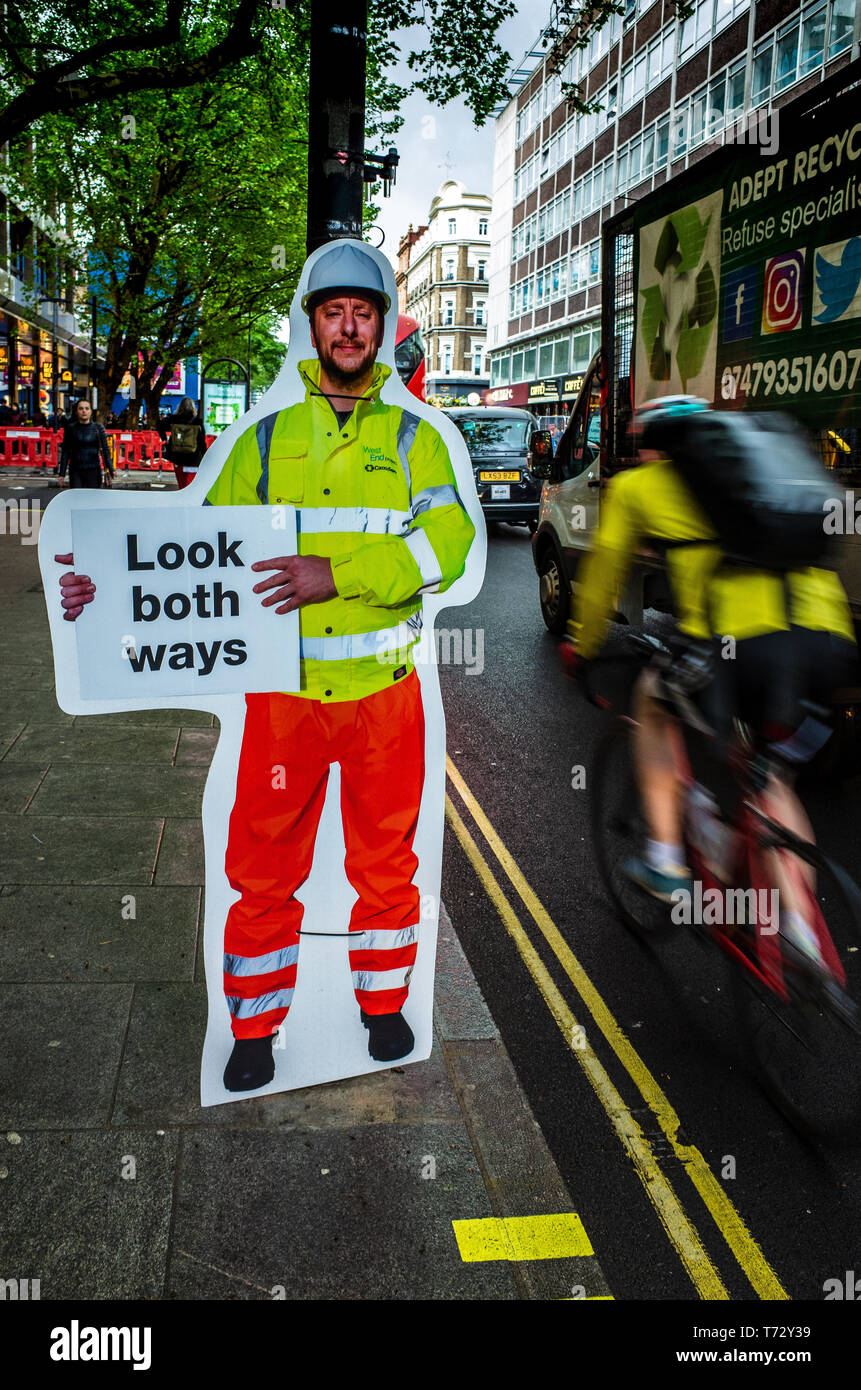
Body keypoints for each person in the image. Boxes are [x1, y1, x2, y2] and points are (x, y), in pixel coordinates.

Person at [55, 241, 476, 1093]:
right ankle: (254, 1027)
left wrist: (341, 574)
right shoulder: (264, 438)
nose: (349, 326)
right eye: (333, 312)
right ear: (311, 326)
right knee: (262, 871)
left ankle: (383, 1007)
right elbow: (187, 559)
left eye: (362, 312)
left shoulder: (418, 439)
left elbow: (449, 545)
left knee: (387, 867)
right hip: (283, 702)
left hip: (385, 699)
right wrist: (103, 591)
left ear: (381, 326)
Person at [569, 395, 856, 977]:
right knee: (769, 774)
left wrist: (582, 642)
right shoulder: (766, 477)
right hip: (830, 643)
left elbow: (603, 575)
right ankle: (799, 927)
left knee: (652, 698)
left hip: (741, 645)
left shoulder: (641, 488)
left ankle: (668, 863)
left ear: (655, 446)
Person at [58, 399, 114, 488]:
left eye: (87, 408)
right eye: (81, 408)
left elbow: (105, 450)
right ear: (76, 411)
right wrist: (62, 474)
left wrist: (111, 470)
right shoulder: (70, 428)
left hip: (94, 470)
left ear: (91, 411)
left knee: (93, 499)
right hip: (76, 471)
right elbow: (66, 452)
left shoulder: (98, 428)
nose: (84, 411)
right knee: (77, 499)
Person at [159, 395, 206, 489]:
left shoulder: (174, 419)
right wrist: (204, 455)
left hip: (178, 457)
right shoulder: (197, 421)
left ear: (179, 407)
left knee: (181, 484)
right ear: (193, 408)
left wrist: (164, 439)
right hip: (193, 458)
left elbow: (159, 424)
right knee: (190, 485)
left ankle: (181, 500)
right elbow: (201, 441)